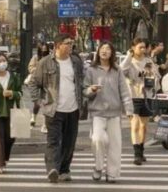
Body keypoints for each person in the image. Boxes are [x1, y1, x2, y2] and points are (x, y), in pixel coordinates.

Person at [28, 34, 84, 183]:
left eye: (71, 43)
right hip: (53, 109)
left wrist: (87, 93)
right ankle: (52, 168)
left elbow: (81, 82)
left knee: (69, 142)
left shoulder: (76, 62)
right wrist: (38, 100)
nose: (70, 45)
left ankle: (64, 170)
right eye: (67, 43)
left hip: (73, 108)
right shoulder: (45, 62)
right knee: (53, 140)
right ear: (58, 45)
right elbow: (33, 83)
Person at [84, 42, 133, 183]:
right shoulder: (91, 70)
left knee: (115, 144)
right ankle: (98, 167)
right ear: (98, 52)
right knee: (97, 139)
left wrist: (128, 109)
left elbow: (124, 91)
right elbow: (84, 90)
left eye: (108, 49)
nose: (105, 51)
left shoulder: (117, 70)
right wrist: (90, 90)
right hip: (97, 113)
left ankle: (112, 173)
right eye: (102, 49)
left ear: (112, 53)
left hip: (114, 113)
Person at [121, 38, 161, 165]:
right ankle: (136, 154)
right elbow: (121, 71)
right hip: (133, 96)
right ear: (133, 48)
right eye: (140, 47)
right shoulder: (129, 61)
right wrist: (129, 55)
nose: (143, 50)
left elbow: (157, 76)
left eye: (144, 47)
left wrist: (152, 77)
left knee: (144, 126)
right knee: (135, 124)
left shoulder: (148, 61)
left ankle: (141, 150)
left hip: (146, 95)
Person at [27, 42, 50, 129]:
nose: (44, 50)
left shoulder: (50, 58)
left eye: (45, 48)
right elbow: (30, 67)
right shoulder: (36, 57)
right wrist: (37, 70)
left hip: (46, 81)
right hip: (36, 80)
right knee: (37, 102)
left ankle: (45, 124)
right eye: (42, 48)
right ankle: (33, 117)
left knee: (45, 102)